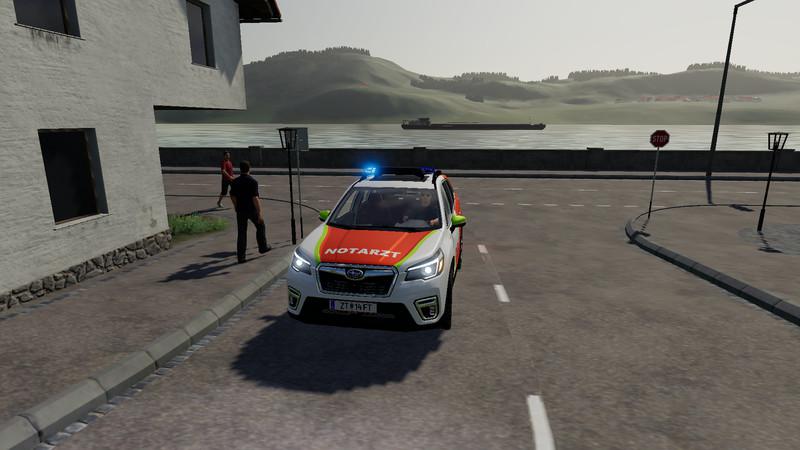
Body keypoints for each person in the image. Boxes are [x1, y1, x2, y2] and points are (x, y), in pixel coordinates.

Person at [229, 161, 270, 263]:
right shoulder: (253, 182)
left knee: (241, 233)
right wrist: (259, 213)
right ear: (249, 169)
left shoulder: (235, 182)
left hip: (240, 210)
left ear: (240, 169)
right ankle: (262, 247)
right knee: (260, 226)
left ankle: (241, 257)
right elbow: (255, 198)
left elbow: (232, 195)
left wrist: (236, 206)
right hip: (251, 209)